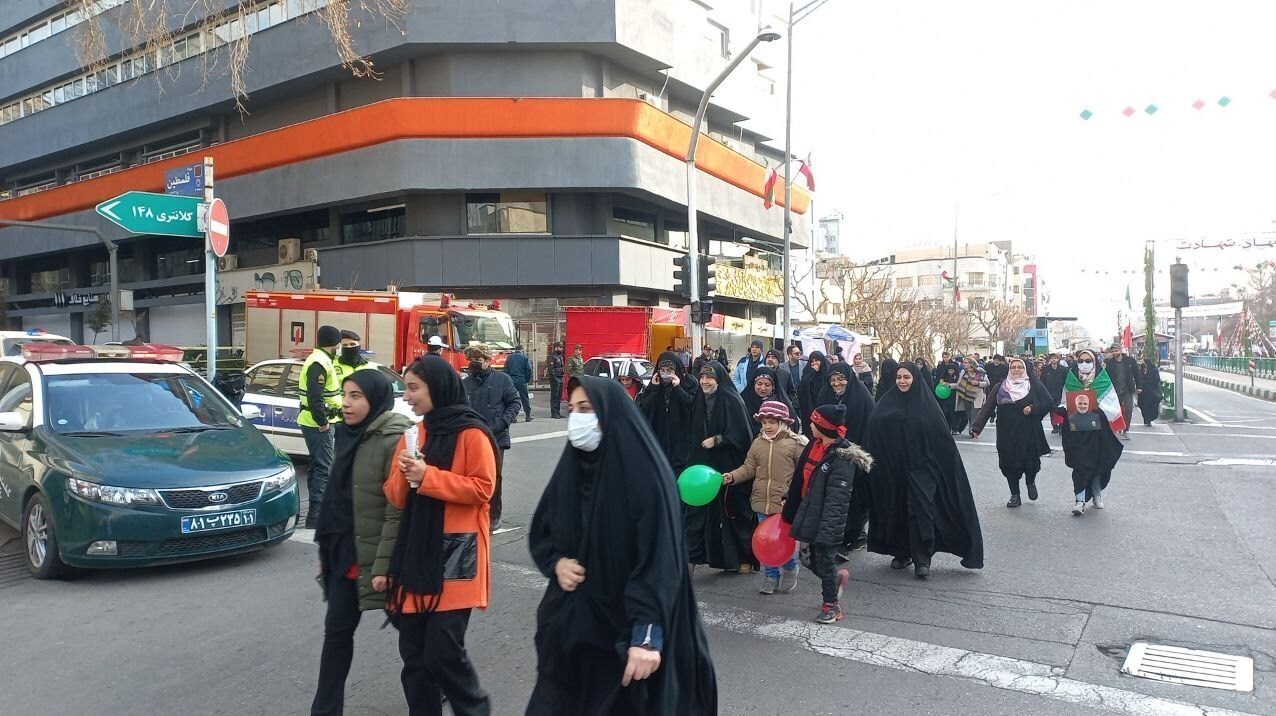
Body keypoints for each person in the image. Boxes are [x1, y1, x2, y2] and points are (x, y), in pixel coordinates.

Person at [526, 376, 718, 715]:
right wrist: (556, 562)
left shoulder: (646, 477)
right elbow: (543, 530)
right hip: (571, 633)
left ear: (610, 413)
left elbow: (660, 562)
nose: (577, 419)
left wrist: (646, 636)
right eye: (573, 410)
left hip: (623, 639)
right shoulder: (572, 469)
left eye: (586, 409)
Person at [384, 355, 499, 715]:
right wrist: (406, 474)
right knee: (415, 657)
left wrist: (427, 477)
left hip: (456, 556)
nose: (407, 396)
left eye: (414, 388)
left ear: (438, 387)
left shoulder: (472, 433)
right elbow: (394, 496)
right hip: (416, 556)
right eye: (405, 388)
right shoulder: (415, 433)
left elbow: (483, 488)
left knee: (443, 652)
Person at [310, 370, 412, 716]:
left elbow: (395, 510)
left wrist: (385, 566)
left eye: (357, 396)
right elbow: (335, 501)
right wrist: (326, 551)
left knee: (415, 637)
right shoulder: (346, 434)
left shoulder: (393, 439)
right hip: (343, 554)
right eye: (345, 395)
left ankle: (439, 684)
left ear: (376, 399)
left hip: (380, 559)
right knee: (336, 634)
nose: (346, 403)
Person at [865, 362, 984, 578]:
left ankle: (922, 558)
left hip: (923, 469)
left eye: (907, 377)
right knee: (896, 508)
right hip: (894, 470)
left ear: (915, 379)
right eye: (899, 377)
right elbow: (874, 429)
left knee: (920, 510)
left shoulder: (927, 407)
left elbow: (941, 440)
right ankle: (902, 552)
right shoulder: (887, 402)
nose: (902, 381)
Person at [781, 404, 873, 623]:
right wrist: (789, 498)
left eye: (814, 422)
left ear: (823, 426)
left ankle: (831, 606)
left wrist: (828, 531)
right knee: (806, 559)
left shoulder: (842, 459)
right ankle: (835, 578)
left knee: (824, 560)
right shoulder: (814, 444)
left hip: (827, 519)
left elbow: (837, 500)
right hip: (808, 511)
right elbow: (800, 477)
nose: (810, 425)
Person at [721, 400, 806, 594]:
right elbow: (749, 468)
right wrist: (732, 476)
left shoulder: (794, 443)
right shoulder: (757, 443)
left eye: (772, 422)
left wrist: (793, 496)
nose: (767, 426)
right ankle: (771, 576)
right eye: (764, 422)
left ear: (783, 423)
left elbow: (803, 474)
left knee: (785, 541)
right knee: (765, 541)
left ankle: (790, 568)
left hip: (784, 504)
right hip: (761, 502)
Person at [686, 361, 756, 573]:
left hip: (729, 464)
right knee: (698, 513)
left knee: (734, 512)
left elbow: (743, 434)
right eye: (702, 378)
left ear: (719, 379)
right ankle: (692, 558)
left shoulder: (731, 400)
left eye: (710, 378)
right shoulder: (699, 400)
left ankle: (744, 558)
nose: (705, 382)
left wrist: (718, 440)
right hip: (702, 465)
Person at [970, 358, 1054, 508]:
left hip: (1028, 429)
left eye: (1020, 367)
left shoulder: (1033, 385)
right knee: (1009, 462)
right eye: (1013, 367)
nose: (1016, 370)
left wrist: (1033, 410)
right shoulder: (1001, 386)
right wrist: (977, 427)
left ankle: (1030, 481)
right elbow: (988, 407)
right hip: (1006, 431)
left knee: (1030, 461)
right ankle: (1015, 495)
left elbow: (1048, 402)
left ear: (1025, 369)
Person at [816, 362, 875, 557]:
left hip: (856, 453)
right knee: (834, 496)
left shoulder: (861, 397)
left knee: (854, 497)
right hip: (830, 453)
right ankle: (835, 538)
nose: (836, 383)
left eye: (841, 379)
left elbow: (869, 427)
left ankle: (855, 534)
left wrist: (852, 450)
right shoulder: (825, 394)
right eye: (832, 380)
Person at [462, 344, 520, 531]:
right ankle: (474, 513)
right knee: (471, 478)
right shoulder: (465, 384)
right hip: (472, 438)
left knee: (494, 478)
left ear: (488, 361)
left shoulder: (503, 380)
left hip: (496, 437)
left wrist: (502, 423)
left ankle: (494, 515)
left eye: (478, 360)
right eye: (471, 361)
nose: (474, 364)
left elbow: (514, 402)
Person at [1062, 349, 1124, 514]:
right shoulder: (1071, 379)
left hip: (1098, 434)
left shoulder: (1102, 380)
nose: (1084, 364)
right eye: (1081, 360)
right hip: (1077, 434)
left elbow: (1111, 405)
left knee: (1097, 466)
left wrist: (1098, 411)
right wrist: (1062, 411)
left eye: (1088, 361)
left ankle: (1097, 495)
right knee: (1080, 467)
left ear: (1095, 362)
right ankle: (1079, 500)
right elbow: (1064, 402)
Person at [301, 325, 344, 528]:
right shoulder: (319, 362)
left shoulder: (321, 359)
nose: (340, 347)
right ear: (333, 343)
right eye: (339, 343)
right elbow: (315, 397)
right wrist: (324, 423)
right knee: (323, 469)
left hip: (315, 422)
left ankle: (314, 515)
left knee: (317, 466)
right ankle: (316, 517)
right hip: (318, 424)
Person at [637, 351, 695, 476]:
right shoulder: (653, 386)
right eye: (662, 370)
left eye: (669, 370)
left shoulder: (688, 383)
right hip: (659, 440)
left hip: (682, 441)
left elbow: (692, 405)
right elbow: (644, 410)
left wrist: (678, 388)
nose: (665, 374)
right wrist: (655, 389)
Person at [742, 367, 799, 435]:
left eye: (767, 385)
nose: (763, 388)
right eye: (759, 384)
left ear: (773, 386)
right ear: (754, 384)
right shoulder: (744, 401)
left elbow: (793, 426)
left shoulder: (780, 402)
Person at [1106, 346, 1140, 440]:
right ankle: (1115, 428)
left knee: (1129, 409)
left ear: (1120, 351)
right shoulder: (1109, 363)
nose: (1114, 353)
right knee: (1115, 411)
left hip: (1127, 389)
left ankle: (1125, 430)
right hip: (1114, 390)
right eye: (1113, 351)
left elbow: (1136, 373)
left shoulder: (1130, 361)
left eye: (1116, 351)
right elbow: (1105, 377)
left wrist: (1139, 386)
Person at [953, 356, 988, 436]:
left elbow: (987, 383)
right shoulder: (963, 372)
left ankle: (973, 430)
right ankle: (972, 429)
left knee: (974, 414)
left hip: (976, 396)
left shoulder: (980, 372)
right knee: (969, 414)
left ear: (971, 364)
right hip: (965, 396)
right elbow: (959, 384)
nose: (964, 364)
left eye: (966, 362)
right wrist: (949, 385)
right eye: (963, 362)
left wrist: (978, 383)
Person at [796, 350, 827, 425]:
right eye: (812, 361)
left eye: (816, 360)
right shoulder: (807, 372)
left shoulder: (827, 373)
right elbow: (801, 389)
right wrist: (811, 372)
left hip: (823, 409)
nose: (814, 363)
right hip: (809, 409)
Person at [504, 344, 534, 423]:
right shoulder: (524, 357)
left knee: (513, 399)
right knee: (524, 398)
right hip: (522, 380)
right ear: (522, 349)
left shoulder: (509, 357)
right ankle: (528, 416)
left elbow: (506, 369)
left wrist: (508, 379)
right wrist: (526, 379)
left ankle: (514, 417)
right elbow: (529, 370)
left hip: (511, 380)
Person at [1041, 354, 1069, 434]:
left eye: (1055, 358)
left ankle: (1061, 426)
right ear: (1049, 359)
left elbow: (1066, 381)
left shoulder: (1063, 369)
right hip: (1049, 393)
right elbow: (1042, 381)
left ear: (1058, 359)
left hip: (1060, 392)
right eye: (1052, 358)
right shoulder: (1045, 369)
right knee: (1052, 410)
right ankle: (1054, 426)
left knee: (1060, 409)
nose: (1053, 360)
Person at [935, 360, 962, 433]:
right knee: (946, 413)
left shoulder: (958, 377)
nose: (951, 372)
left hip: (955, 397)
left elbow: (959, 385)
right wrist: (943, 383)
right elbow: (940, 383)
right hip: (945, 398)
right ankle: (947, 428)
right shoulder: (944, 376)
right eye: (949, 370)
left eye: (952, 370)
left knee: (954, 414)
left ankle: (954, 428)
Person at [1137, 356, 1162, 426]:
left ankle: (1149, 420)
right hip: (1143, 392)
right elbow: (1138, 379)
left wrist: (1146, 382)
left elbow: (1156, 380)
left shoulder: (1154, 371)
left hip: (1151, 392)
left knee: (1150, 406)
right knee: (1142, 405)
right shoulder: (1141, 371)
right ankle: (1146, 419)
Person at [547, 342, 565, 419]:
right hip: (555, 379)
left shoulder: (559, 356)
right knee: (554, 396)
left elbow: (561, 367)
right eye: (560, 347)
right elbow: (551, 370)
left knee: (559, 396)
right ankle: (554, 413)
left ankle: (557, 412)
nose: (562, 349)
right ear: (556, 348)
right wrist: (555, 379)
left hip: (560, 378)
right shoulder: (552, 356)